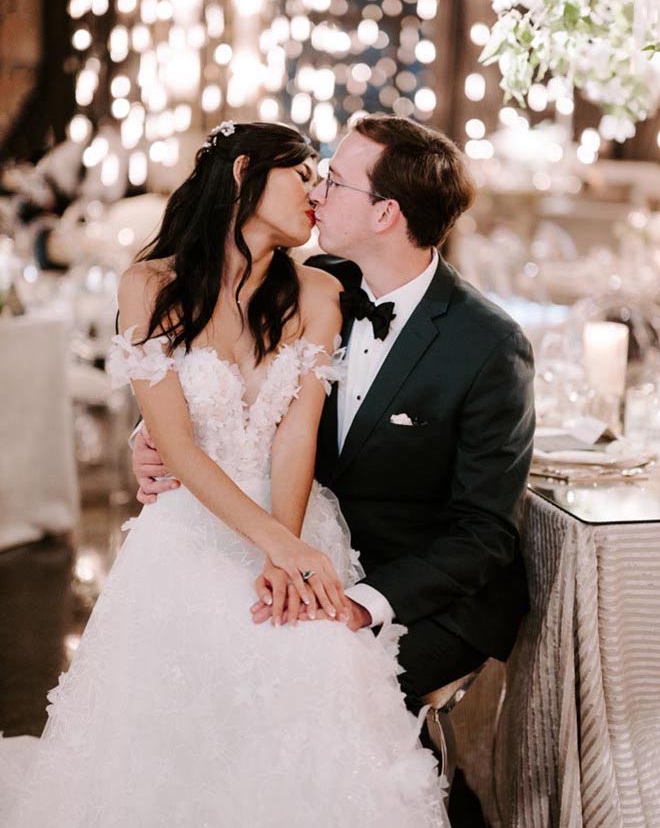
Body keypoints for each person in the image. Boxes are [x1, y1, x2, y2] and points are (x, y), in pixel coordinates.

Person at [0, 121, 443, 828]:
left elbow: (296, 436)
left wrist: (288, 549)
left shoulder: (319, 293)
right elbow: (176, 444)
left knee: (312, 662)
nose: (316, 193)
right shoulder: (149, 285)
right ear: (243, 174)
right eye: (302, 175)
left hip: (294, 519)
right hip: (187, 524)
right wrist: (273, 541)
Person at [135, 115, 535, 725]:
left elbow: (483, 534)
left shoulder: (488, 345)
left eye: (335, 181)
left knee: (294, 684)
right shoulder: (313, 290)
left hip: (419, 596)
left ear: (384, 214)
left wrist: (362, 603)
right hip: (299, 550)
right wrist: (148, 440)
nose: (316, 192)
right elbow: (215, 374)